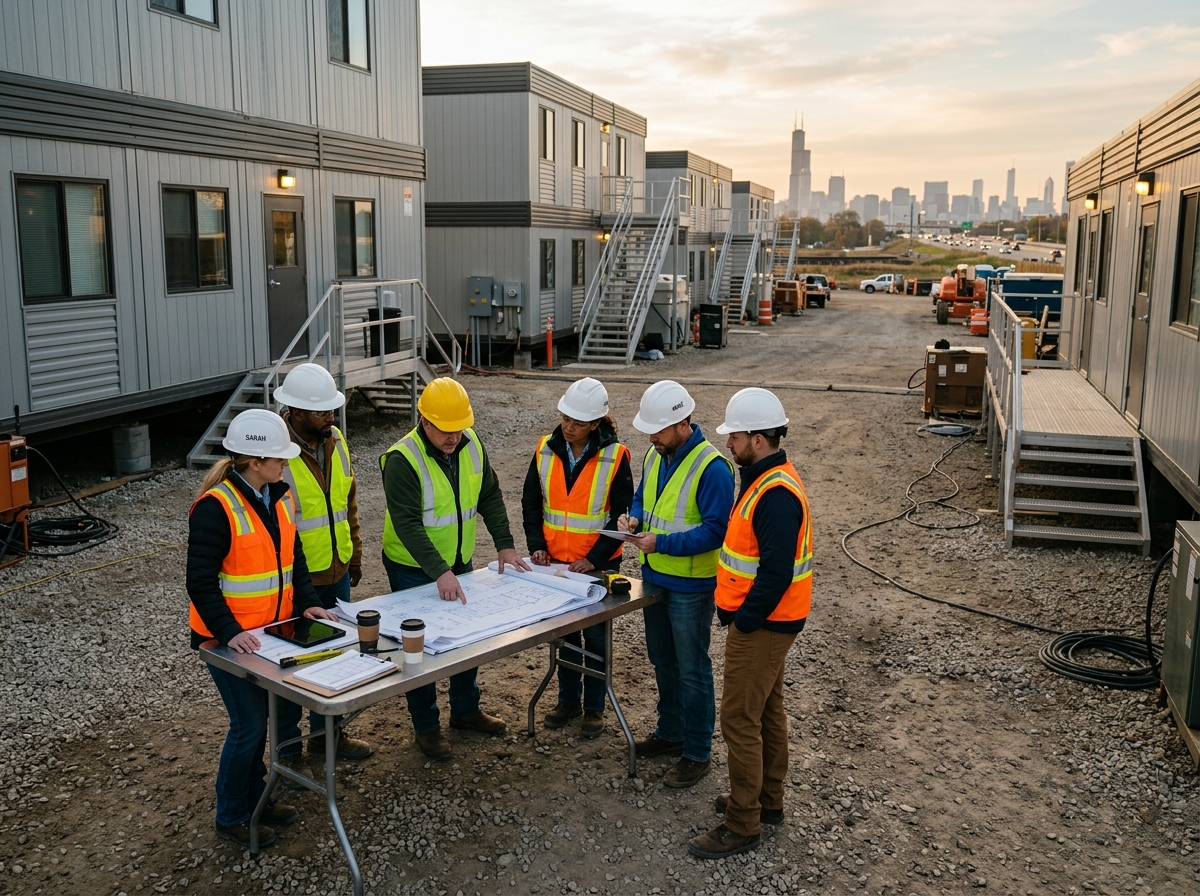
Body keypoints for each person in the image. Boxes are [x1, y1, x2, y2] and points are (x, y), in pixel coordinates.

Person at [186, 409, 340, 848]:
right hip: (226, 641)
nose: (286, 465)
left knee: (260, 724)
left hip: (270, 636)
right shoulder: (215, 508)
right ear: (254, 461)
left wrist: (307, 604)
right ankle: (232, 815)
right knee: (249, 726)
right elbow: (199, 581)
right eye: (279, 459)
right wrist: (229, 630)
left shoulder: (278, 495)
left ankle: (257, 801)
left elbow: (296, 562)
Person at [688, 388, 812, 860]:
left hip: (764, 625)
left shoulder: (775, 493)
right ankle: (767, 801)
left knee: (740, 718)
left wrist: (743, 622)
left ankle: (742, 823)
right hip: (772, 623)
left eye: (735, 436)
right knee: (765, 711)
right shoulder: (763, 477)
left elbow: (777, 572)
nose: (729, 444)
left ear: (758, 439)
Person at [380, 377, 531, 759]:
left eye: (459, 429)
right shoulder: (402, 459)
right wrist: (439, 572)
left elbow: (490, 494)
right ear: (424, 422)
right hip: (413, 566)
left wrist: (505, 545)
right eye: (445, 431)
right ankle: (427, 727)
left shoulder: (471, 443)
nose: (453, 437)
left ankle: (465, 711)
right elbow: (408, 524)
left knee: (465, 639)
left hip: (458, 560)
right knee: (418, 649)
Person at [618, 380, 734, 788]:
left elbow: (716, 532)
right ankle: (671, 734)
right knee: (662, 661)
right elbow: (641, 499)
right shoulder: (654, 454)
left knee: (692, 670)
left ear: (683, 422)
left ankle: (697, 751)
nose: (651, 437)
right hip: (655, 579)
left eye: (659, 430)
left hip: (690, 587)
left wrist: (660, 541)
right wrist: (632, 519)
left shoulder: (712, 468)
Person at [273, 363, 372, 773]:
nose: (329, 417)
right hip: (298, 582)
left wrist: (355, 555)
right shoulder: (275, 455)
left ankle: (327, 737)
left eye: (331, 410)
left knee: (336, 657)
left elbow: (348, 502)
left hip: (336, 571)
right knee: (293, 668)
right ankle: (289, 754)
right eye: (320, 413)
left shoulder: (336, 442)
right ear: (294, 412)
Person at [520, 378, 633, 738]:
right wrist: (536, 542)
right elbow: (531, 502)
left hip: (597, 565)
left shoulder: (616, 456)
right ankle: (568, 702)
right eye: (566, 418)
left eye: (578, 422)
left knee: (597, 639)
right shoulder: (544, 449)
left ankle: (595, 709)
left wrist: (596, 559)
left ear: (596, 424)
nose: (568, 426)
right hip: (555, 564)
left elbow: (622, 514)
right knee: (566, 637)